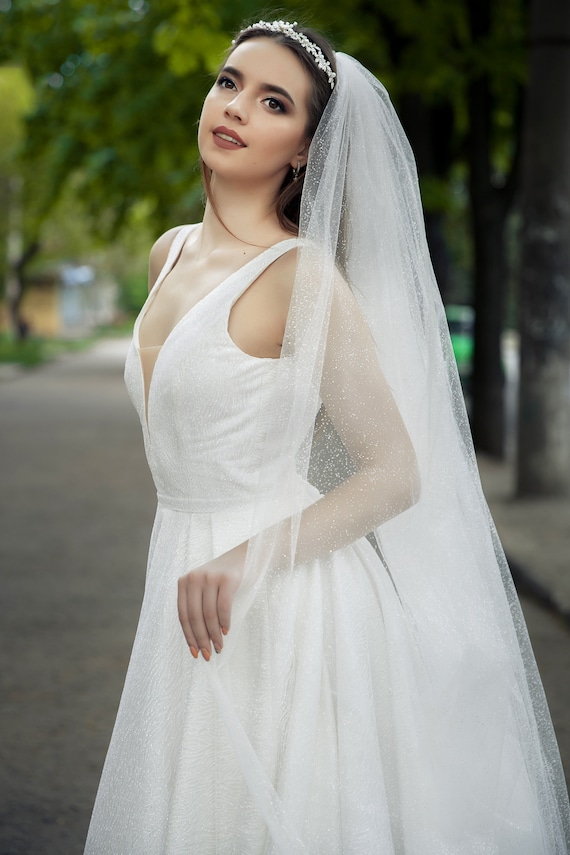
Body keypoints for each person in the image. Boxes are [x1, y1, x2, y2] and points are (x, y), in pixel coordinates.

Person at [84, 20, 570, 855]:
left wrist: (245, 557)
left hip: (286, 602)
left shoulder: (302, 277)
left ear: (305, 149)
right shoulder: (168, 254)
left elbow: (393, 472)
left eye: (273, 102)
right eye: (229, 82)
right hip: (187, 579)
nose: (235, 107)